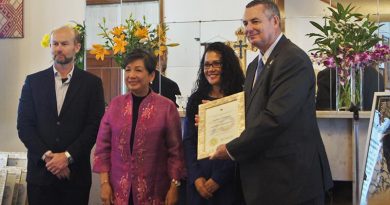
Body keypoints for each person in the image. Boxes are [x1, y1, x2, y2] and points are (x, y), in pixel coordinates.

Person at [210, 1, 333, 205]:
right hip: (264, 183)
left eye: (255, 21)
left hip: (292, 183)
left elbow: (274, 118)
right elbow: (248, 113)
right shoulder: (253, 67)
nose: (248, 28)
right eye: (246, 22)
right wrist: (215, 120)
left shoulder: (293, 60)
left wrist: (231, 149)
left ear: (275, 21)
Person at [17, 26, 105, 205]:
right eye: (55, 44)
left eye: (64, 43)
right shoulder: (33, 82)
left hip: (75, 177)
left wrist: (67, 157)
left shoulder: (92, 84)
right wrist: (49, 157)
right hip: (40, 176)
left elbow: (94, 126)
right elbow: (24, 126)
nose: (59, 48)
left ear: (77, 47)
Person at [93, 49, 186, 205]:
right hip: (118, 190)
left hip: (154, 191)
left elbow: (175, 152)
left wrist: (174, 187)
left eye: (138, 70)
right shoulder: (115, 105)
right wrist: (104, 183)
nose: (131, 75)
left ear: (151, 76)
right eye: (128, 70)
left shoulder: (166, 107)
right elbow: (103, 148)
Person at [183, 42, 245, 205]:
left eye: (216, 63)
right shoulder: (195, 99)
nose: (210, 69)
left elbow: (244, 143)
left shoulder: (241, 98)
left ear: (228, 66)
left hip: (230, 183)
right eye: (206, 65)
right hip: (199, 182)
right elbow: (188, 141)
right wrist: (196, 177)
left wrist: (218, 179)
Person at [316, 66, 384, 110]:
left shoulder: (328, 73)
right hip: (372, 130)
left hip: (337, 129)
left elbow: (322, 109)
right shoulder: (377, 76)